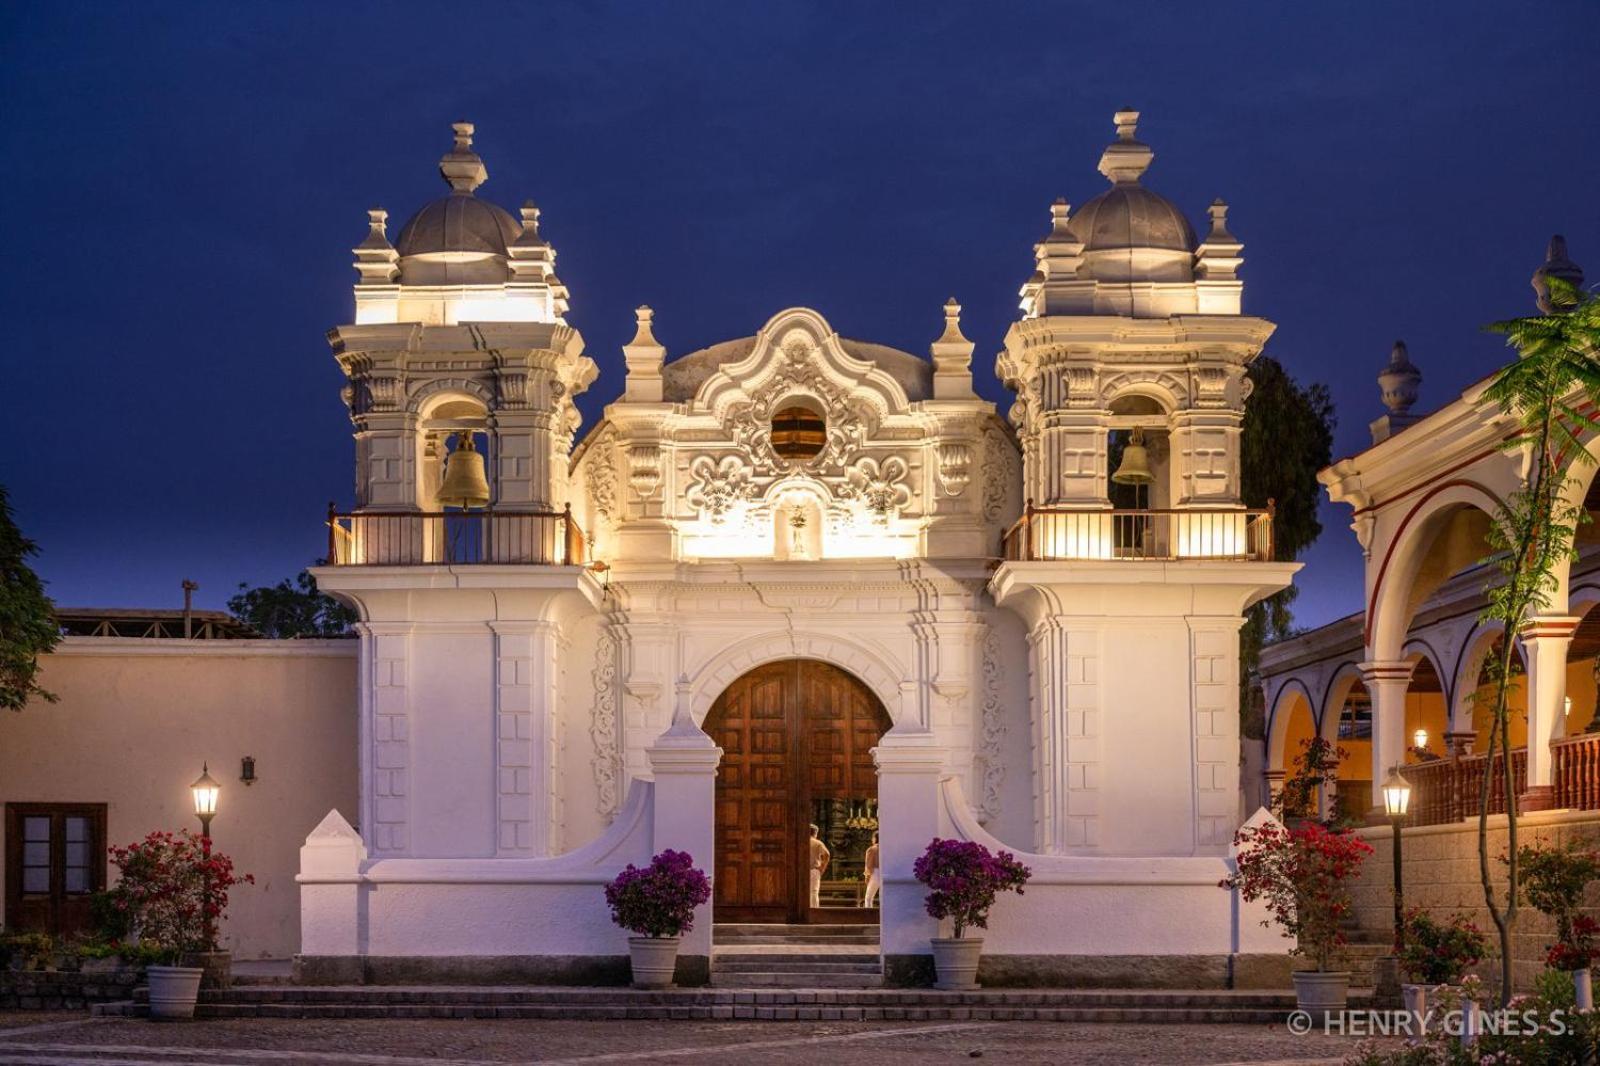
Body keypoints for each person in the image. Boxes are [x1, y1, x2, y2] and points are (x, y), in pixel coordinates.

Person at [808, 824, 830, 908]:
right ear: (815, 833)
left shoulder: (801, 842)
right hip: (814, 870)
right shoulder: (817, 843)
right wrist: (822, 868)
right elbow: (827, 855)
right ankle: (814, 913)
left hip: (801, 870)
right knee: (813, 892)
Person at [862, 833, 881, 909]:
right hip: (884, 872)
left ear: (875, 838)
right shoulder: (885, 849)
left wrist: (867, 876)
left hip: (875, 873)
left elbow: (869, 865)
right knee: (882, 897)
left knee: (869, 897)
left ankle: (869, 915)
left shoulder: (871, 849)